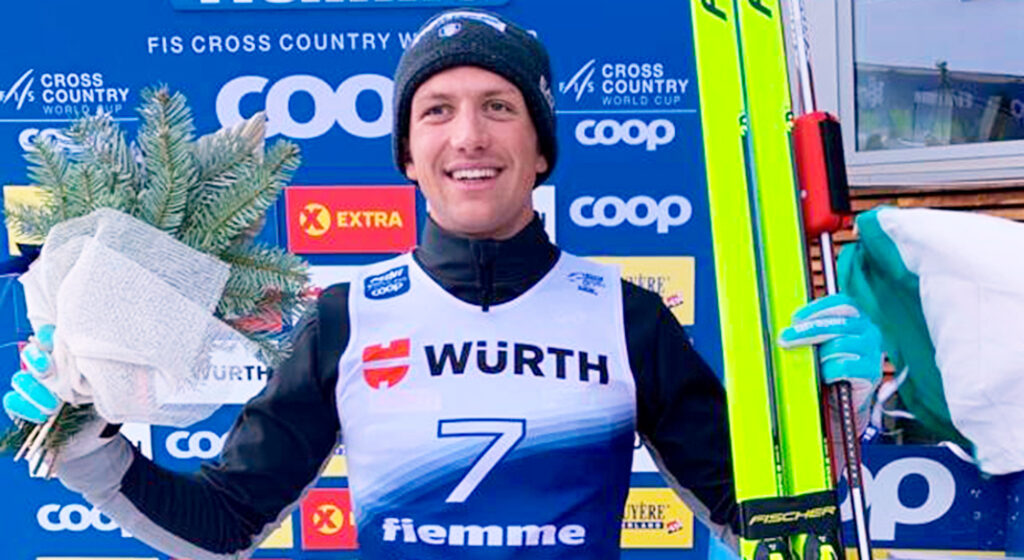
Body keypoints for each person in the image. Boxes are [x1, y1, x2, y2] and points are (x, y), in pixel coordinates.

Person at [3, 9, 882, 559]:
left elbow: (760, 519)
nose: (469, 136)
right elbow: (222, 525)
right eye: (437, 111)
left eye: (500, 107)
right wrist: (84, 441)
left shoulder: (628, 318)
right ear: (409, 156)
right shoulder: (347, 319)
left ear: (540, 150)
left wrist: (845, 415)